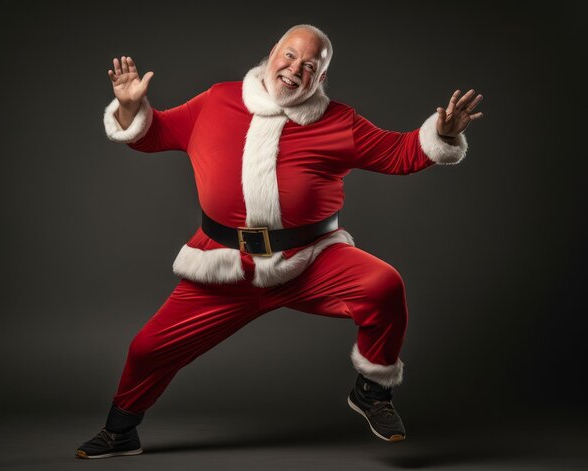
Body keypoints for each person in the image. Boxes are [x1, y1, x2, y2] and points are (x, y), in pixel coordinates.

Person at [76, 24, 483, 459]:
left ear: (320, 79)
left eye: (310, 66)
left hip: (308, 261)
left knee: (383, 285)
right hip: (223, 264)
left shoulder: (339, 122)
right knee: (147, 348)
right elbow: (153, 134)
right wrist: (128, 108)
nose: (295, 69)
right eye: (289, 56)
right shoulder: (216, 101)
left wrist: (440, 134)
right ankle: (121, 432)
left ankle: (372, 393)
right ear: (272, 54)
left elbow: (400, 153)